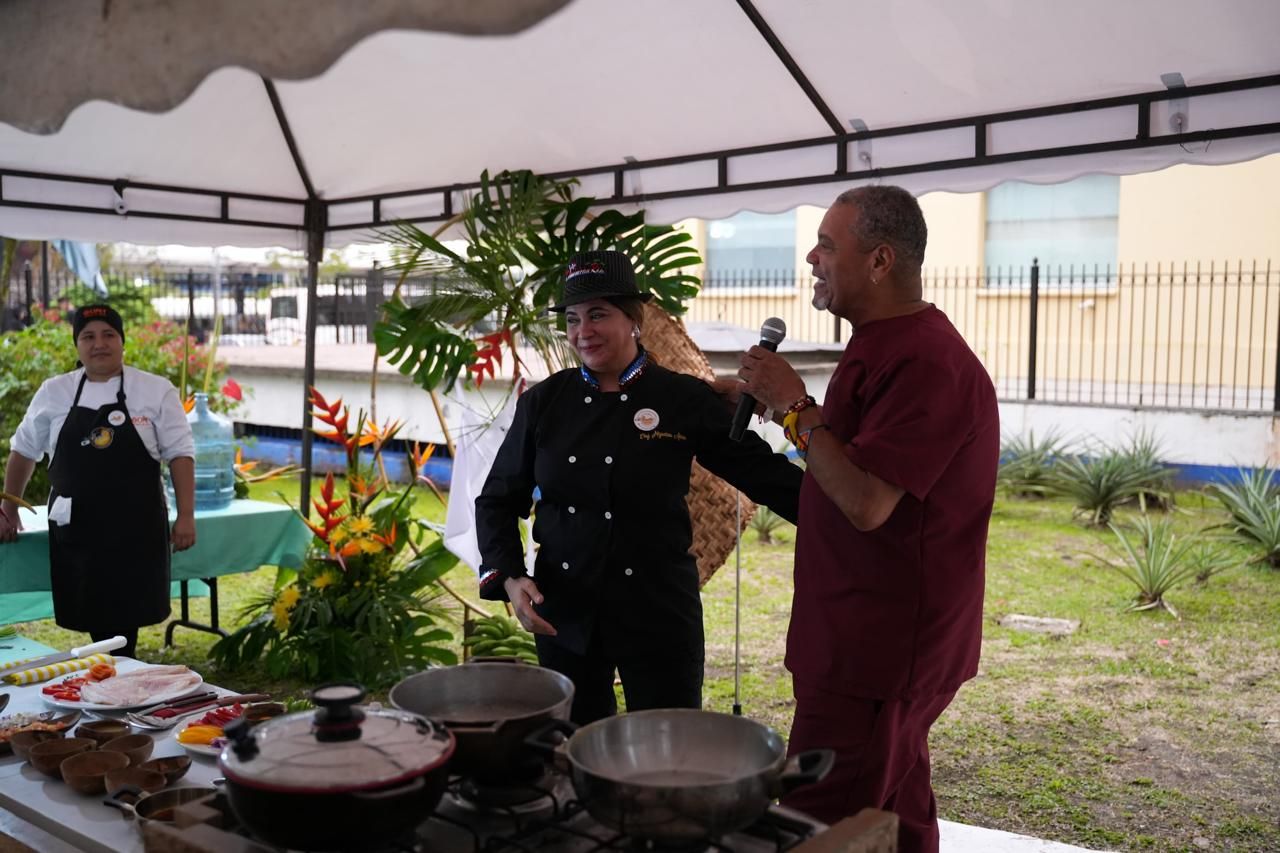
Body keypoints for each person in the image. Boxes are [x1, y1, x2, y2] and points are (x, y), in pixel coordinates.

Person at [732, 187, 999, 853]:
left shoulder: (927, 361)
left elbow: (867, 500)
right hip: (856, 636)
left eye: (827, 244)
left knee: (820, 822)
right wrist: (772, 405)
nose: (811, 258)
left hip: (880, 652)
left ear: (880, 261)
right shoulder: (879, 344)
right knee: (897, 811)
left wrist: (795, 408)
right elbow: (846, 455)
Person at [475, 250, 803, 725]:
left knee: (668, 745)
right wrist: (509, 576)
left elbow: (767, 476)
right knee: (576, 744)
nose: (583, 331)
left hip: (659, 613)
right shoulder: (544, 403)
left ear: (634, 320)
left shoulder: (683, 397)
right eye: (573, 319)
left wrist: (845, 513)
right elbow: (498, 499)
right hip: (565, 610)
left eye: (598, 314)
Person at [0, 304, 197, 658]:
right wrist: (8, 508)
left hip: (136, 527)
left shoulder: (155, 390)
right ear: (77, 345)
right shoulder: (54, 392)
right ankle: (112, 669)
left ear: (122, 341)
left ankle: (115, 668)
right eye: (88, 336)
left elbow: (181, 454)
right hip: (78, 529)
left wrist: (186, 515)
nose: (99, 344)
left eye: (108, 334)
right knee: (93, 613)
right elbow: (24, 451)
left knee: (125, 616)